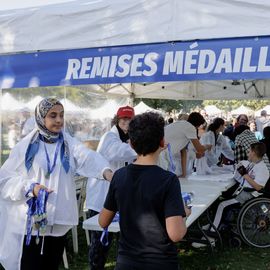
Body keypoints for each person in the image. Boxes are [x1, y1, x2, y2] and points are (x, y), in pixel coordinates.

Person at [0, 97, 113, 270]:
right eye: (53, 115)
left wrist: (106, 172)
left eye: (61, 115)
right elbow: (5, 180)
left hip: (57, 223)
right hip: (30, 224)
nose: (59, 120)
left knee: (51, 264)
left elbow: (87, 157)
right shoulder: (25, 148)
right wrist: (31, 188)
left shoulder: (68, 143)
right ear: (41, 118)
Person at [99, 112, 190, 270]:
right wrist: (184, 215)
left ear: (131, 144)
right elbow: (176, 234)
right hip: (160, 262)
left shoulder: (119, 176)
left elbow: (103, 221)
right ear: (162, 142)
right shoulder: (168, 180)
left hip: (126, 262)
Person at [86, 105, 137, 270]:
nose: (127, 122)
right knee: (100, 243)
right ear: (117, 119)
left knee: (120, 240)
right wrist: (143, 145)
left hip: (117, 198)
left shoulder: (127, 138)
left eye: (130, 119)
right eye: (124, 119)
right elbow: (121, 152)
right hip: (101, 199)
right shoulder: (110, 137)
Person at [211, 142, 269, 231]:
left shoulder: (263, 169)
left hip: (247, 196)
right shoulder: (253, 164)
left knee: (222, 205)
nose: (247, 153)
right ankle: (214, 224)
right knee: (217, 201)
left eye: (249, 151)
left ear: (254, 152)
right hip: (241, 192)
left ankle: (212, 234)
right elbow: (242, 176)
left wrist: (244, 175)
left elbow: (259, 188)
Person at [160, 112, 211, 177]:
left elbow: (183, 152)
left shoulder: (181, 124)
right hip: (162, 155)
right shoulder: (190, 128)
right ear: (197, 125)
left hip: (161, 153)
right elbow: (200, 149)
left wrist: (184, 174)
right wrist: (208, 146)